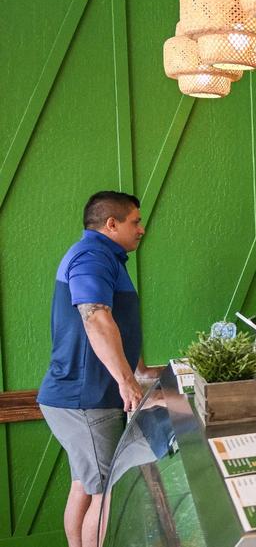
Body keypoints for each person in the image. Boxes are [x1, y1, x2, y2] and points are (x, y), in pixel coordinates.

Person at [37, 191, 161, 547]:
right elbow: (96, 317)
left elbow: (119, 323)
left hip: (81, 397)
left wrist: (139, 369)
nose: (141, 229)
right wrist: (127, 381)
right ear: (111, 224)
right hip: (85, 399)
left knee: (86, 483)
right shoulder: (91, 256)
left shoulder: (106, 257)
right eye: (135, 221)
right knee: (107, 491)